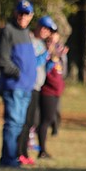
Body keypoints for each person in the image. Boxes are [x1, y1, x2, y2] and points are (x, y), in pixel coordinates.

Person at [0, 0, 37, 168]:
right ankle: (8, 160)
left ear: (31, 16)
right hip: (14, 86)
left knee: (20, 124)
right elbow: (2, 59)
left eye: (26, 14)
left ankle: (14, 157)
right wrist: (17, 73)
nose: (23, 17)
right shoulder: (8, 31)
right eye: (20, 13)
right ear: (15, 13)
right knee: (13, 124)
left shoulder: (27, 33)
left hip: (26, 87)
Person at [16, 15, 54, 166]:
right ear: (38, 26)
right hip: (28, 85)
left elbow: (45, 67)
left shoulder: (42, 44)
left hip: (37, 86)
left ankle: (24, 152)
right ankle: (20, 153)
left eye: (49, 30)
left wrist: (51, 58)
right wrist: (46, 54)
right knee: (25, 122)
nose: (46, 31)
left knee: (31, 121)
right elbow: (33, 63)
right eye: (44, 27)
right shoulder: (31, 40)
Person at [34, 31, 67, 159]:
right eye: (51, 42)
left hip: (55, 94)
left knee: (48, 120)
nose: (54, 45)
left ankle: (43, 149)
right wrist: (52, 60)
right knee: (45, 121)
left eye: (56, 42)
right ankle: (42, 150)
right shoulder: (47, 59)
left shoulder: (58, 58)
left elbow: (61, 74)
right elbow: (45, 73)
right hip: (47, 93)